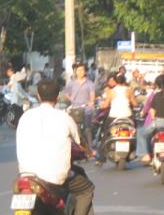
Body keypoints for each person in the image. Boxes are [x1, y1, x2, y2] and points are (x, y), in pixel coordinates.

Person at [16, 79, 94, 215]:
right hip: (53, 179)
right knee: (86, 190)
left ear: (38, 96)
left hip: (26, 177)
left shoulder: (25, 116)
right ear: (58, 97)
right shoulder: (64, 117)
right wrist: (89, 151)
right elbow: (80, 143)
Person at [96, 74, 138, 165]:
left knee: (105, 134)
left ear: (115, 81)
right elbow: (135, 104)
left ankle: (101, 158)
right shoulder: (129, 90)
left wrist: (101, 106)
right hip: (127, 116)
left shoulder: (111, 92)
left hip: (114, 117)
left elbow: (105, 105)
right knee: (135, 132)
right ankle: (135, 151)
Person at [65, 63, 96, 156]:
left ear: (85, 71)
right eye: (78, 70)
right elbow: (67, 94)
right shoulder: (71, 83)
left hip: (86, 109)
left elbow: (92, 95)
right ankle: (78, 149)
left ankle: (90, 149)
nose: (80, 72)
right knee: (75, 130)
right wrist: (72, 100)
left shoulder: (89, 83)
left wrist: (91, 102)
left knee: (87, 129)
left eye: (82, 70)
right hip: (75, 109)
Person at [136, 74, 164, 164]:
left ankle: (146, 155)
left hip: (158, 123)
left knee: (140, 133)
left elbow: (152, 111)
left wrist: (154, 120)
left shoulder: (156, 95)